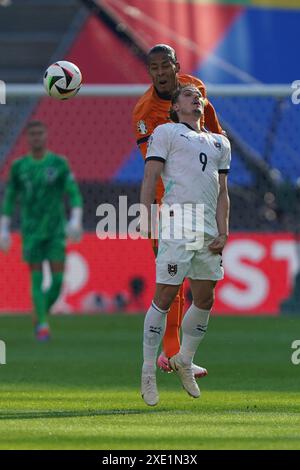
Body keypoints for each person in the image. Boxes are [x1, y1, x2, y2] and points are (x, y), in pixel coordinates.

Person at [133, 44, 223, 377]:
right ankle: (169, 351)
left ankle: (180, 353)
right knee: (168, 281)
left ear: (176, 66)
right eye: (153, 67)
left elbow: (214, 132)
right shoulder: (144, 113)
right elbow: (152, 168)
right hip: (166, 205)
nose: (159, 72)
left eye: (164, 65)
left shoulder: (195, 89)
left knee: (202, 286)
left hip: (203, 202)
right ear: (149, 71)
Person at [0, 120, 83, 341]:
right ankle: (43, 326)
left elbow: (72, 191)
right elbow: (9, 198)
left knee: (57, 282)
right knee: (35, 278)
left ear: (46, 137)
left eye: (40, 134)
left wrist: (75, 219)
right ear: (28, 138)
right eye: (33, 134)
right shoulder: (19, 167)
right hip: (31, 231)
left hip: (55, 230)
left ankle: (38, 314)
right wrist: (4, 228)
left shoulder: (58, 163)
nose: (36, 138)